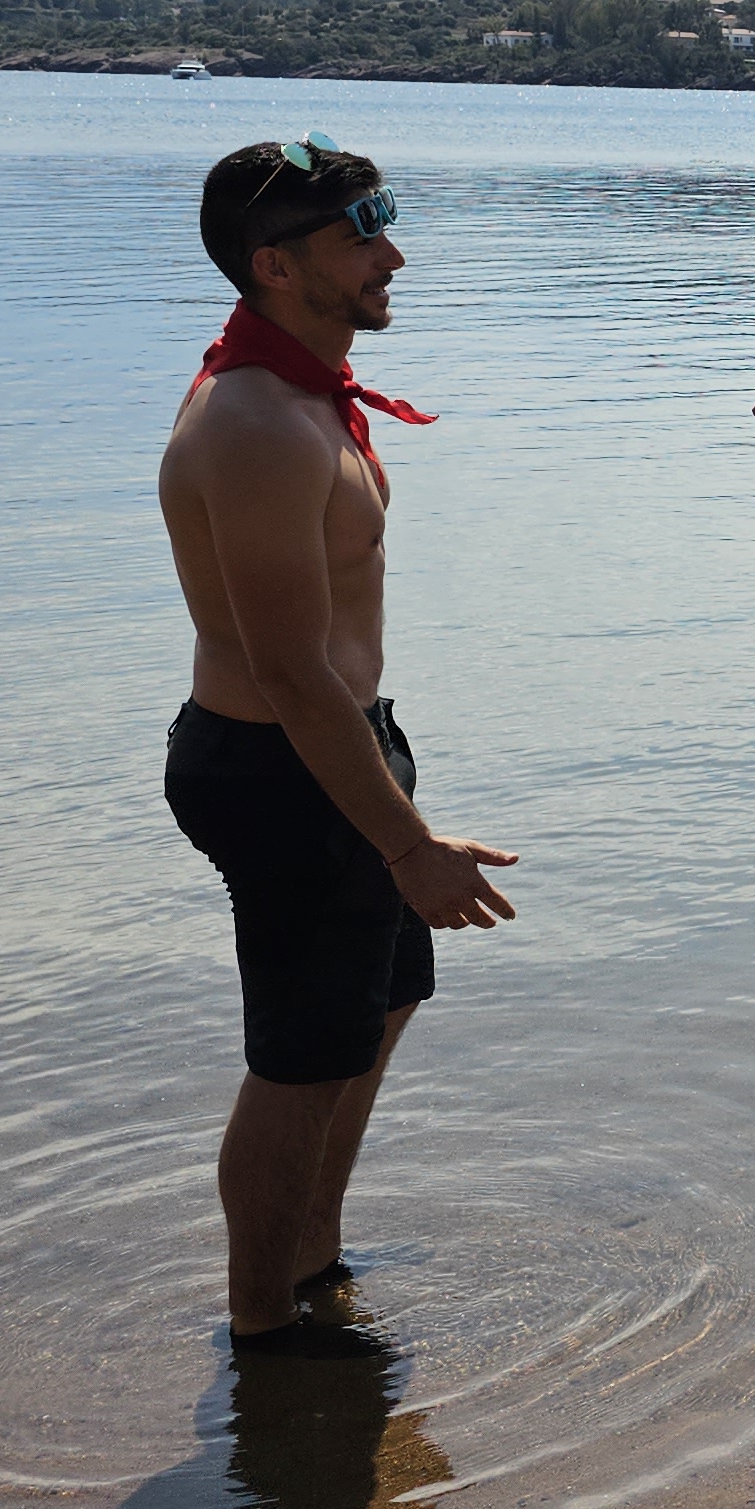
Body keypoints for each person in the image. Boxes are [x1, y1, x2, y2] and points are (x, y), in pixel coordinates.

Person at [161, 134, 519, 1352]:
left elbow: (326, 681)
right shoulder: (255, 422)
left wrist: (398, 823)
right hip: (277, 767)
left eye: (383, 221)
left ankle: (313, 1261)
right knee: (303, 1060)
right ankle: (263, 1331)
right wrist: (403, 845)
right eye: (359, 234)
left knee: (376, 1014)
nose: (391, 256)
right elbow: (288, 675)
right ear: (273, 266)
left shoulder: (304, 390)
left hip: (340, 748)